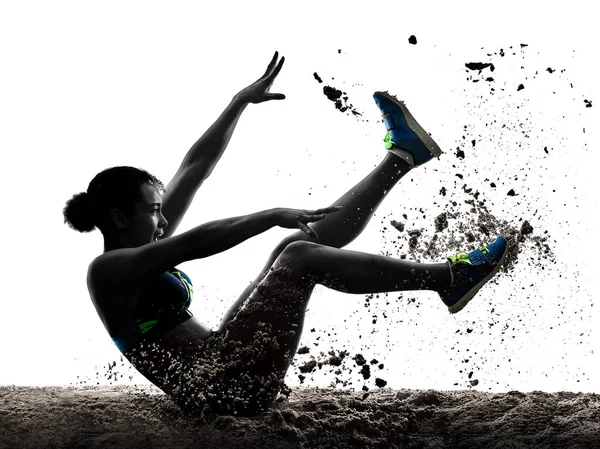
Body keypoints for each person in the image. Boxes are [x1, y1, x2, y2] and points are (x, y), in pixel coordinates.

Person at [63, 52, 508, 416]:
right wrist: (272, 212)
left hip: (227, 363)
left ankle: (403, 157)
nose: (163, 220)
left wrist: (238, 102)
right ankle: (448, 278)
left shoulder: (146, 243)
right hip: (223, 393)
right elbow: (196, 243)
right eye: (154, 210)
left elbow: (193, 169)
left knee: (290, 247)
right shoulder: (108, 271)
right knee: (297, 256)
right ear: (120, 219)